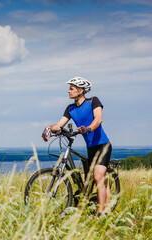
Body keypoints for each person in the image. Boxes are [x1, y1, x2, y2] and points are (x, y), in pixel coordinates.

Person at [42, 76, 112, 217]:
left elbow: (98, 119)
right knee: (93, 179)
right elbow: (59, 124)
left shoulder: (93, 101)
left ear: (80, 90)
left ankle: (102, 212)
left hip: (102, 145)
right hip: (91, 147)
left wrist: (88, 128)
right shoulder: (71, 108)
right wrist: (48, 128)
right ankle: (99, 204)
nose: (68, 91)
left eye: (71, 89)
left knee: (98, 177)